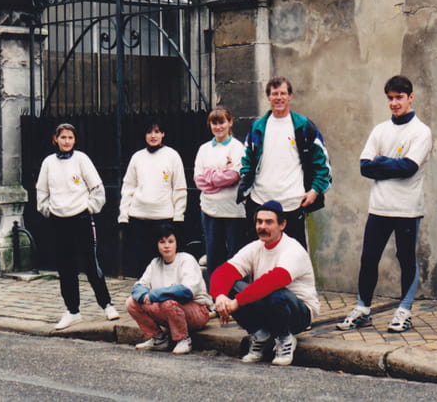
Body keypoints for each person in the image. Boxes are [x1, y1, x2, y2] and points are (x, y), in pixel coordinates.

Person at [337, 75, 431, 333]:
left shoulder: (421, 131)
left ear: (410, 98)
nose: (394, 103)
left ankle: (404, 311)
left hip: (407, 209)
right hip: (379, 207)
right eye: (390, 98)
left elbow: (409, 168)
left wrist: (380, 161)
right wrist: (388, 164)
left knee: (406, 259)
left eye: (399, 97)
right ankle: (363, 310)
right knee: (369, 258)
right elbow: (364, 167)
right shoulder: (380, 130)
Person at [210, 200, 319, 366]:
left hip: (298, 314)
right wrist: (220, 297)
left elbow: (275, 280)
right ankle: (260, 335)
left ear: (282, 225)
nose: (262, 227)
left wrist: (237, 303)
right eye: (259, 222)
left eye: (269, 222)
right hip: (268, 306)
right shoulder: (255, 247)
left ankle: (285, 338)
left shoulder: (292, 249)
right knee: (231, 286)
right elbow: (223, 272)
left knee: (274, 292)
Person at [36, 123, 119, 330]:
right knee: (66, 267)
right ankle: (73, 311)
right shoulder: (48, 162)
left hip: (81, 219)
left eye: (70, 138)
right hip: (59, 221)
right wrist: (49, 210)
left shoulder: (81, 159)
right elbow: (42, 192)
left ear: (75, 140)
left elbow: (97, 189)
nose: (66, 141)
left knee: (91, 264)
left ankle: (107, 305)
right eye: (63, 137)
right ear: (55, 139)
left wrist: (88, 208)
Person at [237, 76, 331, 249]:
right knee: (258, 256)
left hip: (292, 204)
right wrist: (247, 186)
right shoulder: (258, 127)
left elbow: (322, 162)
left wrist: (315, 190)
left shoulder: (304, 126)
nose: (279, 98)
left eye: (282, 93)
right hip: (260, 202)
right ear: (268, 97)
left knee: (294, 257)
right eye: (274, 94)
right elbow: (246, 160)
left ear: (290, 96)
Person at [126, 227, 212, 355]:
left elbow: (187, 291)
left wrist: (154, 294)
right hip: (169, 310)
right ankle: (158, 339)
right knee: (131, 303)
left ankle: (183, 339)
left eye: (171, 241)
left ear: (177, 243)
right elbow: (139, 286)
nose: (167, 246)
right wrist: (144, 295)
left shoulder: (186, 259)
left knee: (168, 303)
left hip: (197, 311)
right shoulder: (155, 263)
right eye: (162, 242)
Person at [118, 122, 187, 276]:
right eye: (149, 132)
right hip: (138, 217)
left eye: (157, 132)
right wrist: (123, 215)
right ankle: (143, 289)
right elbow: (128, 187)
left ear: (163, 134)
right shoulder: (137, 157)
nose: (153, 136)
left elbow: (179, 188)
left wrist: (178, 216)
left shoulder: (172, 156)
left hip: (163, 218)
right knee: (141, 262)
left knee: (163, 263)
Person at [193, 106, 246, 279]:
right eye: (214, 123)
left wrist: (211, 176)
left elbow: (234, 175)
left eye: (222, 122)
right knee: (214, 254)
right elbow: (198, 179)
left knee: (235, 255)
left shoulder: (237, 148)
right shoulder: (204, 149)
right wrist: (220, 175)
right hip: (210, 209)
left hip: (233, 210)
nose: (218, 127)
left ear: (230, 123)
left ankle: (235, 291)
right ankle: (216, 290)